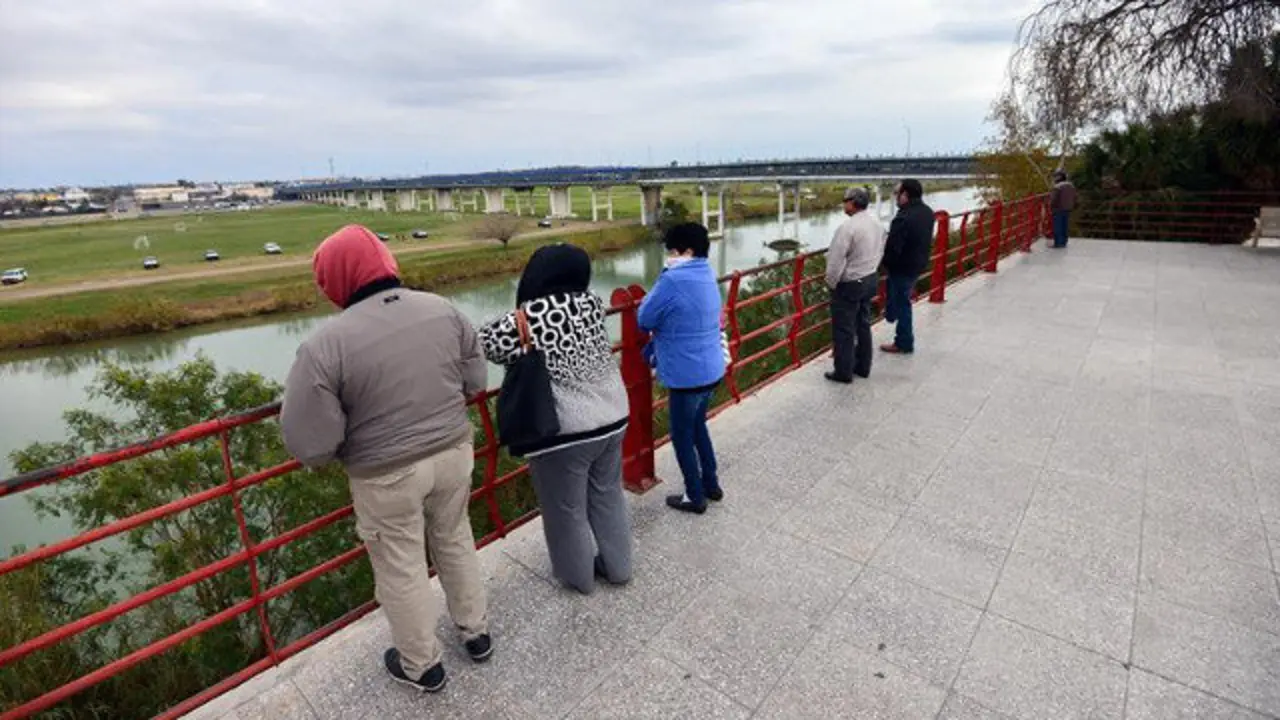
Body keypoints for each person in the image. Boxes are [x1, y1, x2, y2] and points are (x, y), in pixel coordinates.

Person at [281, 224, 490, 695]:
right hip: (453, 450)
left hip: (386, 472)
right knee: (455, 537)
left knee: (401, 565)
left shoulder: (325, 345)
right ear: (385, 262)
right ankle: (475, 632)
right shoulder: (442, 308)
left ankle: (421, 665)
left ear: (336, 278)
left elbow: (311, 442)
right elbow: (475, 379)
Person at [478, 244, 632, 594]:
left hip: (564, 430)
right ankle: (619, 568)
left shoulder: (526, 317)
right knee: (608, 495)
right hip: (613, 415)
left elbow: (483, 343)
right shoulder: (592, 303)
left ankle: (578, 580)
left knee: (566, 510)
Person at [638, 223, 726, 515]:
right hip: (710, 369)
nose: (670, 256)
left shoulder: (673, 280)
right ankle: (711, 484)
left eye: (672, 251)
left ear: (687, 251)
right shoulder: (707, 274)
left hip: (686, 374)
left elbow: (644, 317)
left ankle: (694, 495)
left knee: (682, 435)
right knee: (698, 427)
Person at [825, 187, 887, 383]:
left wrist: (831, 282)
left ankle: (843, 372)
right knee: (863, 323)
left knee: (844, 329)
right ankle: (863, 367)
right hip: (869, 278)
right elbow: (881, 250)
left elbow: (835, 260)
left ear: (852, 203)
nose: (844, 204)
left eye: (845, 200)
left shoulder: (847, 228)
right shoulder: (877, 223)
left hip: (850, 283)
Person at [880, 179, 934, 355]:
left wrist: (884, 264)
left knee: (903, 303)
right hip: (918, 264)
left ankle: (903, 342)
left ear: (905, 194)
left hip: (902, 267)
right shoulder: (927, 212)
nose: (896, 198)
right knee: (901, 298)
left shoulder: (903, 217)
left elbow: (894, 247)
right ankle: (890, 314)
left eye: (897, 194)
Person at [1049, 169, 1077, 248]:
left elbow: (1053, 199)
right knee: (1065, 225)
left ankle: (1058, 243)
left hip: (1058, 208)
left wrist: (1050, 206)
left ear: (1059, 177)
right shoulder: (1071, 185)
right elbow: (1075, 197)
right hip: (1068, 208)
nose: (1054, 178)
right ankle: (1064, 242)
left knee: (1057, 226)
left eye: (1055, 176)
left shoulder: (1057, 186)